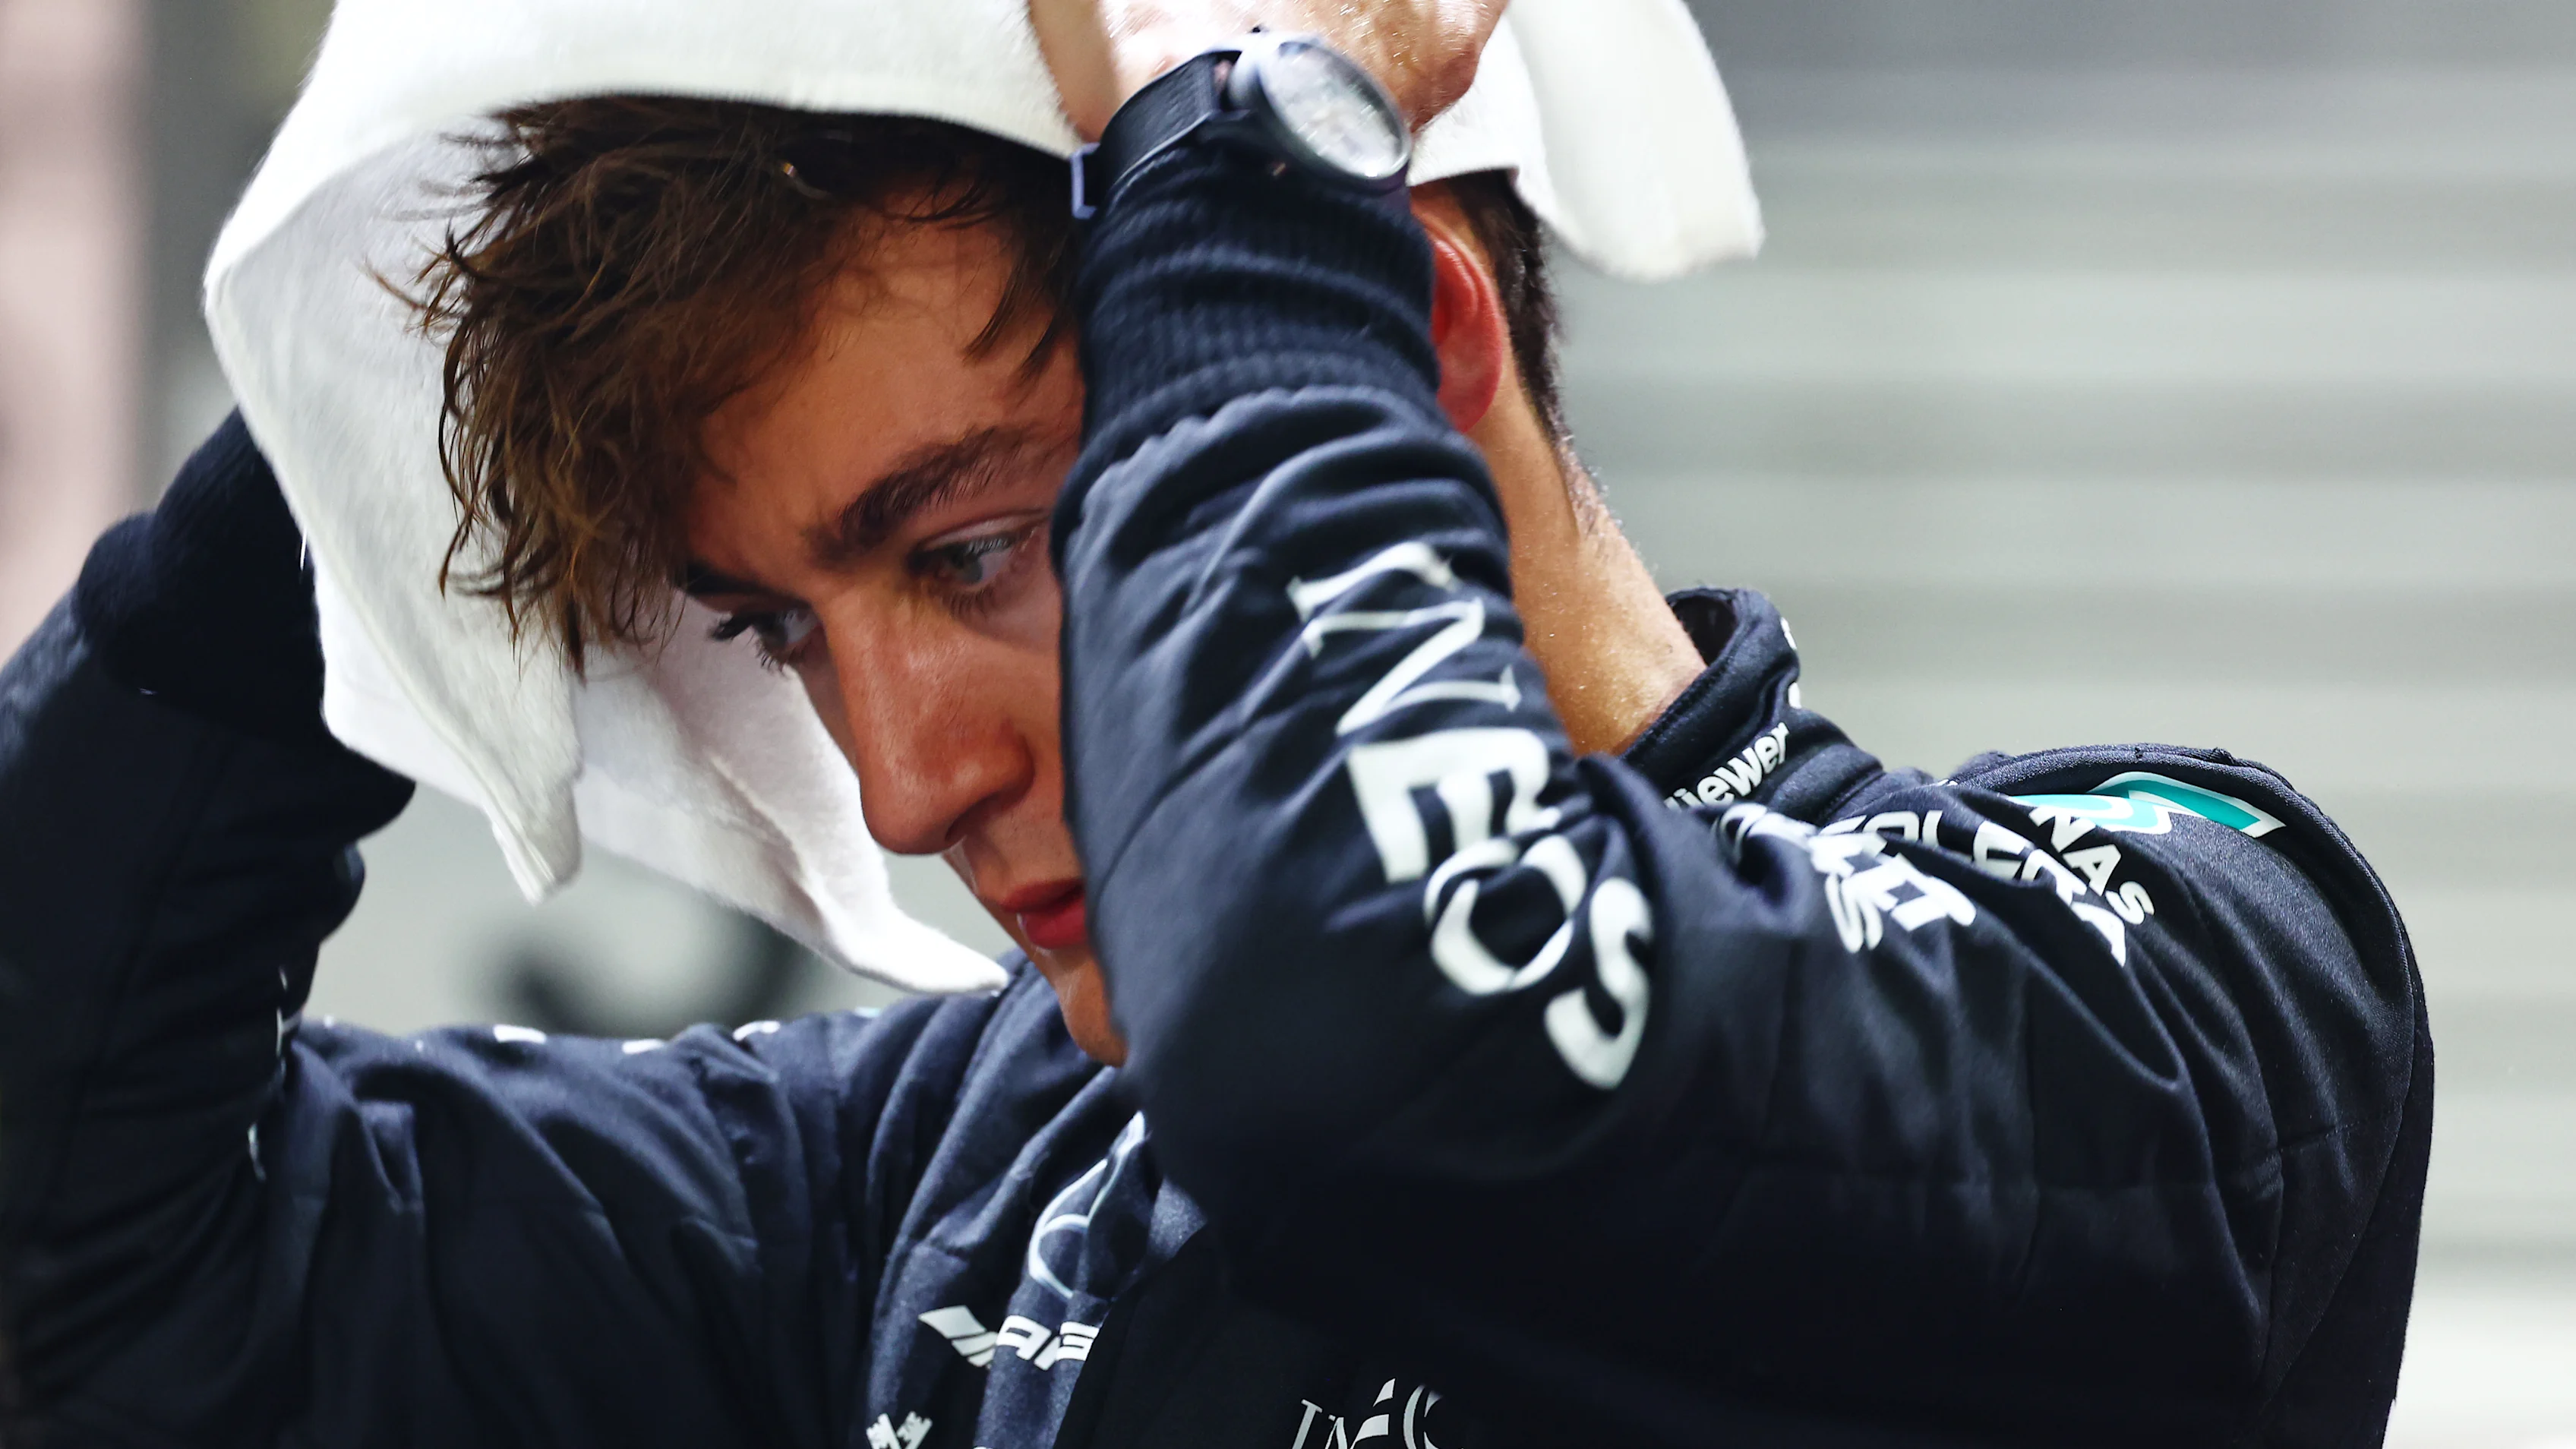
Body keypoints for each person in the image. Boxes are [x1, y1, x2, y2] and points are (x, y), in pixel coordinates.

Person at [0, 2, 2429, 1444]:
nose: (902, 781)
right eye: (777, 627)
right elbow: (86, 1272)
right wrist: (373, 422)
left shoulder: (2197, 970)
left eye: (972, 548)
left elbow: (1376, 1022)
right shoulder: (961, 1171)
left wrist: (1253, 196)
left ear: (1402, 341)